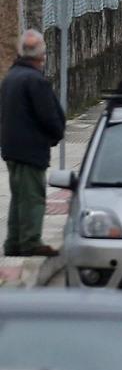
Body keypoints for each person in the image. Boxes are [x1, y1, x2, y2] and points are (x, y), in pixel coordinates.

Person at [2, 31, 66, 258]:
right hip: (30, 148)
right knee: (32, 196)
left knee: (19, 196)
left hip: (12, 148)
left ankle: (14, 242)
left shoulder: (12, 76)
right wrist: (57, 133)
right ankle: (30, 242)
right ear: (42, 56)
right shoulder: (34, 80)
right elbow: (48, 115)